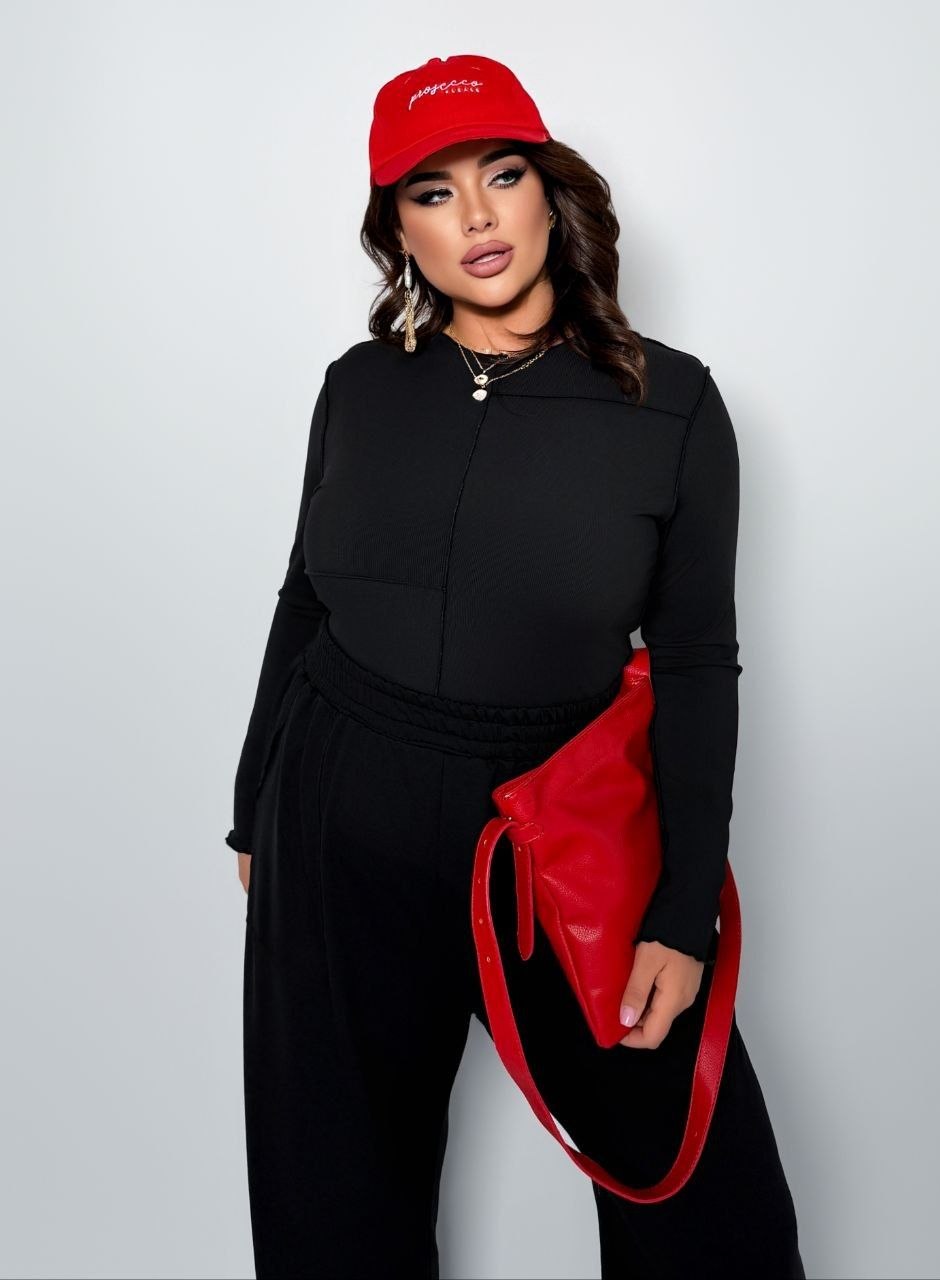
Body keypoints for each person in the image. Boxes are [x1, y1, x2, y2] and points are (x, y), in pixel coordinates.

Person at [225, 52, 806, 1280]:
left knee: (710, 1213)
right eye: (432, 193)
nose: (476, 216)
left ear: (551, 192)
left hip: (554, 828)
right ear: (399, 231)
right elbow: (304, 597)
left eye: (501, 175)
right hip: (338, 808)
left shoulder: (670, 404)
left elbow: (696, 661)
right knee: (334, 1200)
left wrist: (683, 908)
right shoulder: (359, 388)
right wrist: (252, 805)